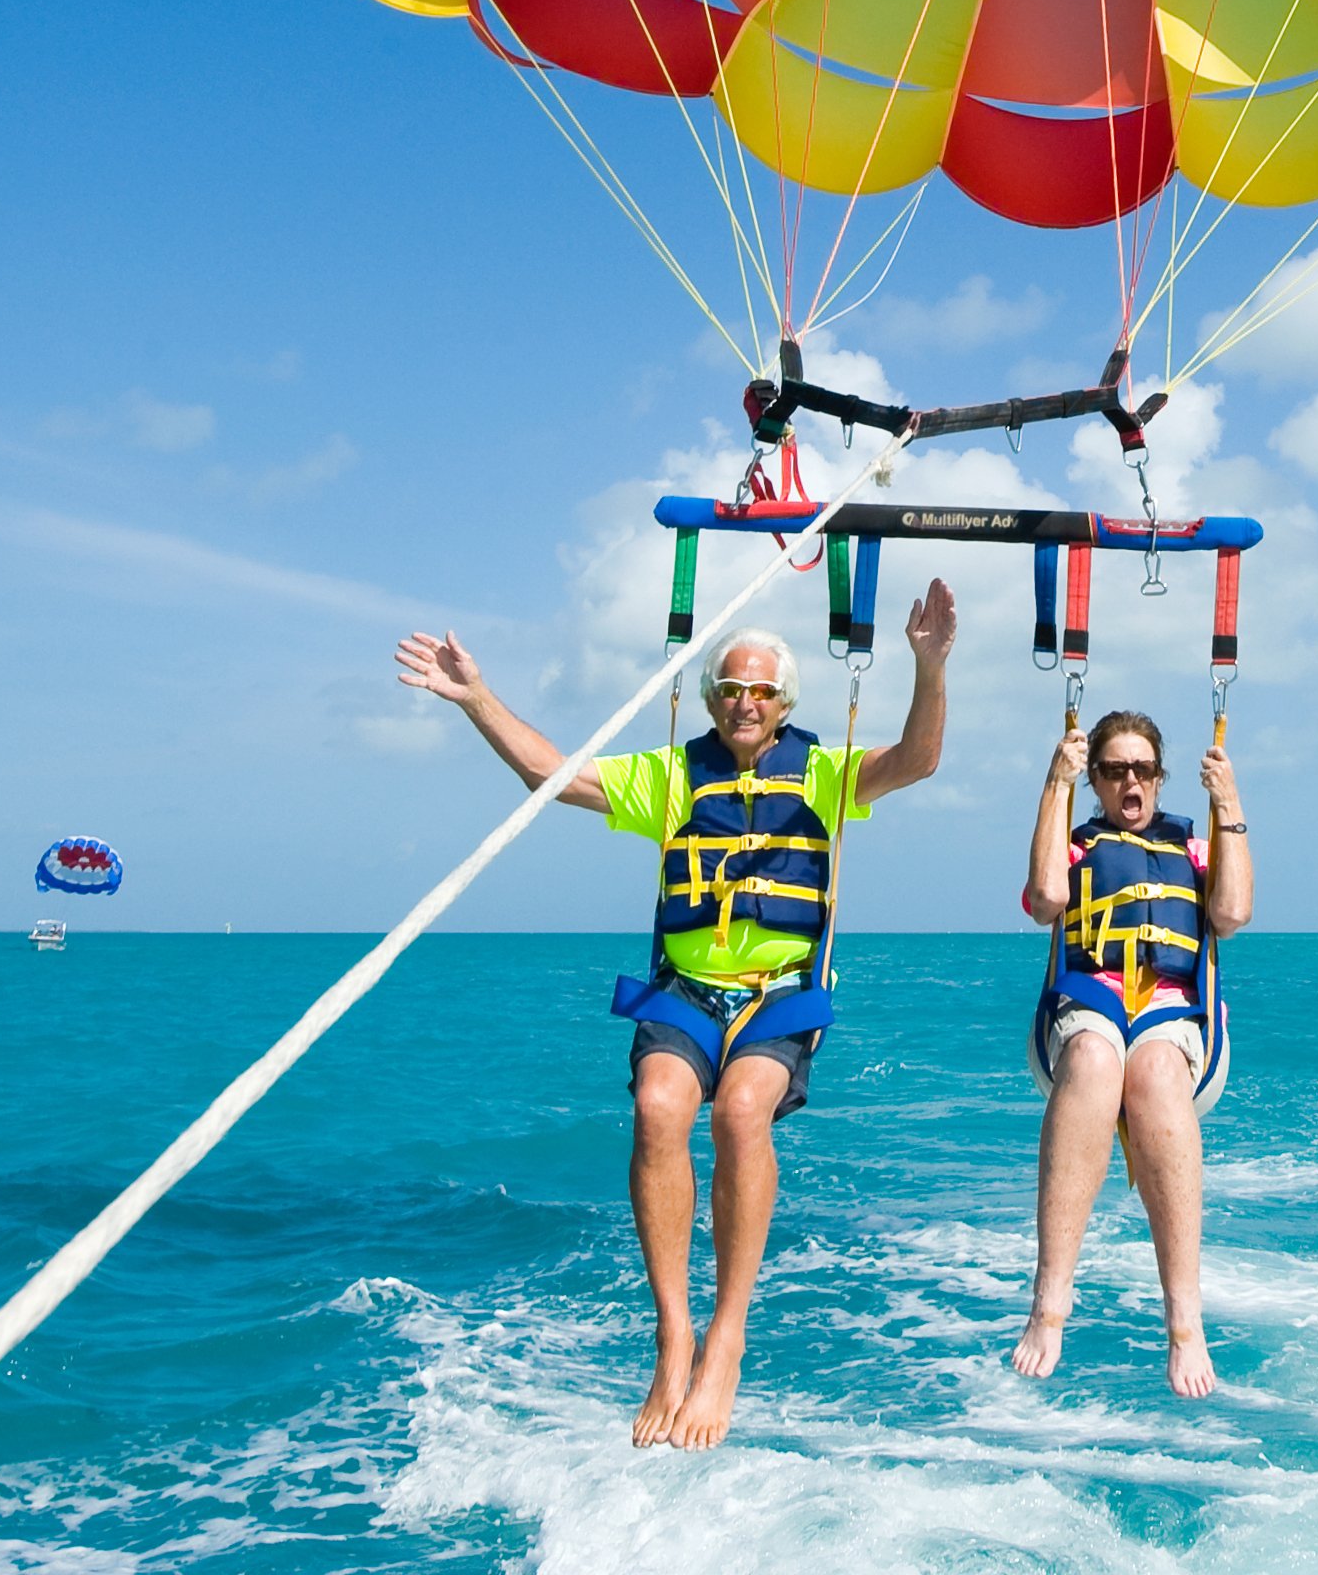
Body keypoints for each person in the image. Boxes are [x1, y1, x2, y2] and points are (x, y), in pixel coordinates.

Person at [394, 582, 953, 1448]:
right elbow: (553, 774)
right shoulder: (671, 774)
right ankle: (674, 1332)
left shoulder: (825, 768)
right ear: (711, 699)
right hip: (685, 989)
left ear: (786, 702)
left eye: (762, 690)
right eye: (730, 688)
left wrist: (928, 665)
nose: (745, 702)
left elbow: (916, 760)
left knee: (738, 1113)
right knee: (659, 1109)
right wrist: (477, 699)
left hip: (779, 992)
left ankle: (726, 1336)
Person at [1011, 705, 1251, 1395]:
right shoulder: (1078, 843)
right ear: (1096, 780)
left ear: (1162, 776)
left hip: (1176, 1017)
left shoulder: (1196, 846)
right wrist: (1053, 787)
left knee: (1150, 1069)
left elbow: (1231, 915)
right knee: (1095, 1058)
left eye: (1143, 770)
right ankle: (1050, 1302)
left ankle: (1184, 1318)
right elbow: (1046, 903)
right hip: (1085, 1008)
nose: (1130, 784)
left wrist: (1228, 803)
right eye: (1113, 772)